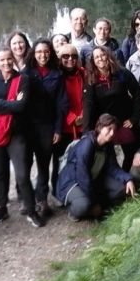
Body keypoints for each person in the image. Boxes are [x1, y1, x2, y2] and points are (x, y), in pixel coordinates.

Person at [0, 45, 43, 227]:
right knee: (0, 173)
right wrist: (10, 104)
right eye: (2, 59)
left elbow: (22, 106)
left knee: (22, 174)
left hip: (17, 133)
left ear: (14, 59)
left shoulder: (23, 80)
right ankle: (2, 207)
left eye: (9, 59)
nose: (6, 62)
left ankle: (31, 210)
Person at [55, 114, 136, 222]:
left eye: (114, 130)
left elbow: (113, 168)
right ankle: (74, 212)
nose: (112, 133)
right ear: (100, 127)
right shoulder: (87, 144)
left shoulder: (108, 145)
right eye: (109, 129)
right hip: (72, 182)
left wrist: (128, 179)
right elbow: (82, 176)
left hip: (93, 177)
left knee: (121, 189)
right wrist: (94, 202)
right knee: (84, 204)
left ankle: (96, 208)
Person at [24, 38, 68, 219]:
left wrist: (58, 129)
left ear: (50, 53)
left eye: (46, 51)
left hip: (47, 125)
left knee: (43, 164)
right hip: (27, 125)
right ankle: (28, 198)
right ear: (34, 53)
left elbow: (61, 104)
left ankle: (42, 199)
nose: (42, 55)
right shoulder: (26, 73)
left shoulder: (57, 74)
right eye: (39, 51)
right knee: (25, 163)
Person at [83, 45, 140, 171]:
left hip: (124, 121)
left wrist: (134, 118)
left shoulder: (122, 73)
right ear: (93, 61)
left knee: (131, 152)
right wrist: (87, 130)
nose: (100, 59)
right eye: (96, 57)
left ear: (108, 56)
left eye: (102, 55)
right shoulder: (91, 79)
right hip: (105, 124)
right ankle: (114, 182)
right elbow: (88, 104)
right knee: (107, 156)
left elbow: (138, 94)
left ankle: (129, 177)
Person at [57, 42, 86, 197]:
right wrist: (72, 118)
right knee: (62, 161)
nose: (70, 59)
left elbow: (89, 96)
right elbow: (55, 101)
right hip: (65, 126)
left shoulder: (83, 73)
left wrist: (83, 115)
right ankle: (61, 192)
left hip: (83, 124)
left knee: (82, 159)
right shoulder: (56, 76)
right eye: (65, 56)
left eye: (74, 56)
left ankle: (80, 189)